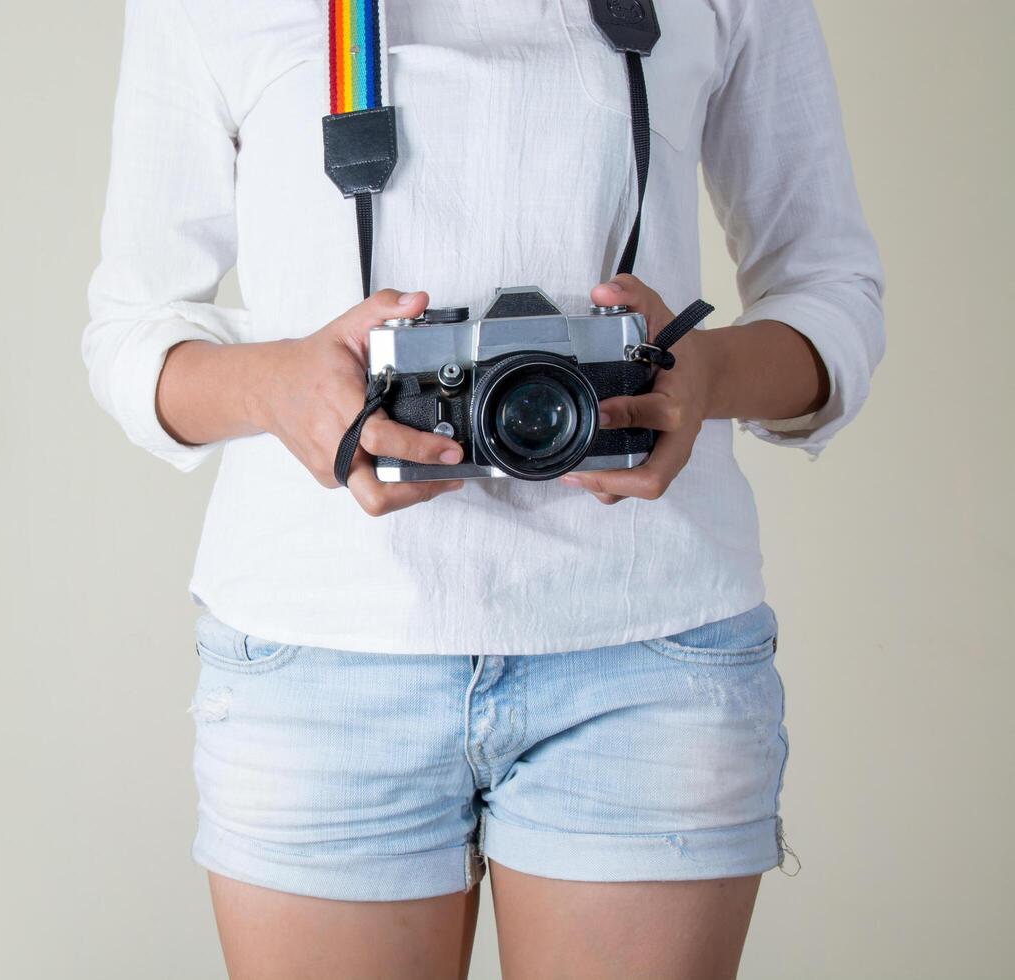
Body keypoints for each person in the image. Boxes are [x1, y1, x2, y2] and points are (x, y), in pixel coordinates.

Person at [82, 0, 883, 976]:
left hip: (647, 639)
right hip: (319, 650)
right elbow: (132, 330)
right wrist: (283, 384)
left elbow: (831, 287)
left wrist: (704, 371)